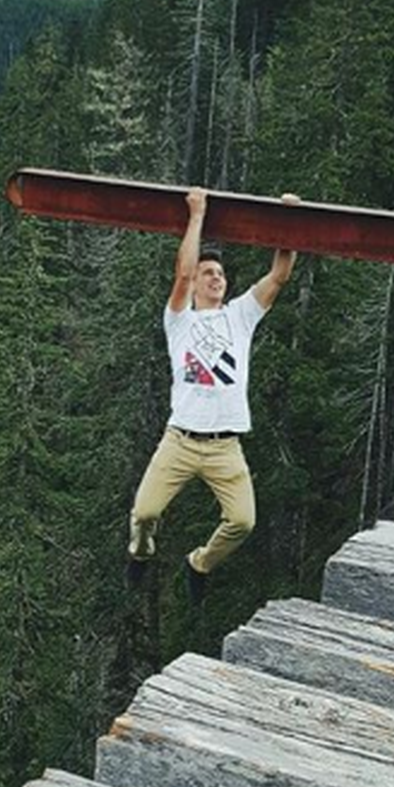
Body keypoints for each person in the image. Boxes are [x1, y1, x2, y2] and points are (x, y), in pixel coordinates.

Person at [127, 186, 299, 602]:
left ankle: (199, 563)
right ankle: (140, 551)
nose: (216, 278)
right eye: (209, 273)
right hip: (180, 440)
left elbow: (279, 276)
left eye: (220, 274)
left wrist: (288, 225)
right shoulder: (179, 320)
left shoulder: (240, 316)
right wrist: (197, 213)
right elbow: (182, 273)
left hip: (225, 446)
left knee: (242, 521)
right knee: (145, 513)